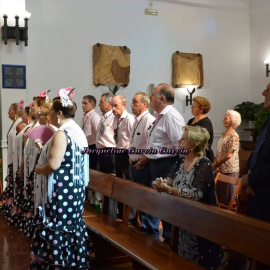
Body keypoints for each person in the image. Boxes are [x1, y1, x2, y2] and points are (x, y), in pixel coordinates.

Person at [30, 88, 91, 270]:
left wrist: (40, 169)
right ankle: (73, 262)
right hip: (75, 188)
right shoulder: (77, 131)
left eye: (50, 114)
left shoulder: (61, 133)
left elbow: (54, 164)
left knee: (58, 225)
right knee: (70, 225)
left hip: (61, 190)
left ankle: (58, 264)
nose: (48, 118)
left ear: (58, 114)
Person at [153, 126, 223, 269]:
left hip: (201, 222)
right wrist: (160, 183)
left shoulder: (204, 164)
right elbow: (169, 181)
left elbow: (196, 194)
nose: (179, 141)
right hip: (183, 217)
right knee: (183, 258)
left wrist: (169, 189)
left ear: (194, 145)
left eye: (183, 139)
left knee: (196, 260)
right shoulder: (180, 161)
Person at [146, 83, 185, 245]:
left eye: (153, 95)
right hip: (157, 164)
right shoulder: (160, 116)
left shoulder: (171, 116)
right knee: (160, 204)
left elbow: (180, 147)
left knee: (167, 205)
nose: (150, 98)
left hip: (167, 165)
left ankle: (170, 241)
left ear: (162, 98)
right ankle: (165, 239)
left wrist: (172, 173)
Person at [129, 92, 159, 236]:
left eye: (135, 102)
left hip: (144, 166)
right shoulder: (137, 120)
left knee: (148, 200)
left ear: (145, 104)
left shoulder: (149, 120)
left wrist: (141, 161)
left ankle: (150, 232)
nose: (131, 105)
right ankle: (144, 230)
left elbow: (151, 146)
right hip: (135, 164)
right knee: (140, 199)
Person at [242, 82, 270, 223]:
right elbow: (256, 154)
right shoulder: (267, 122)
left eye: (268, 90)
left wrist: (250, 179)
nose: (263, 93)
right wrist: (247, 181)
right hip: (257, 191)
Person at [111, 94, 134, 219]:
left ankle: (130, 216)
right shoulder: (116, 119)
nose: (114, 108)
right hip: (118, 152)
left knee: (127, 184)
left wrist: (131, 156)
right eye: (112, 105)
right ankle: (121, 211)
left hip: (126, 154)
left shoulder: (129, 119)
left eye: (116, 106)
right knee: (120, 183)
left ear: (124, 105)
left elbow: (133, 139)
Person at [213, 110, 241, 206]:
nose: (223, 120)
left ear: (233, 120)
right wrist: (215, 163)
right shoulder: (223, 134)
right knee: (219, 197)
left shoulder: (234, 136)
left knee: (228, 198)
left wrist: (216, 163)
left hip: (230, 170)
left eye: (226, 118)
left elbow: (229, 155)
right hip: (220, 168)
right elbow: (219, 151)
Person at [2, 101, 25, 218]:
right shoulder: (14, 123)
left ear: (15, 112)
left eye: (10, 110)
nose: (8, 112)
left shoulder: (20, 124)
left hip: (17, 157)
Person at [187, 96, 214, 162]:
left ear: (201, 109)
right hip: (191, 153)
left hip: (202, 155)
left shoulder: (206, 123)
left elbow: (201, 141)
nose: (191, 108)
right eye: (192, 106)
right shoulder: (191, 120)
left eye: (194, 106)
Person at [96, 93, 116, 174]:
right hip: (101, 152)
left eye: (101, 102)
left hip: (110, 152)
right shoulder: (103, 117)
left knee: (111, 178)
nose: (99, 104)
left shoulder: (114, 117)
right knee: (103, 178)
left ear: (109, 103)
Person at [81, 95, 101, 169]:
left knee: (92, 170)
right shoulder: (85, 116)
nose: (83, 105)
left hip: (92, 147)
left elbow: (98, 133)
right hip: (86, 147)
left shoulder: (95, 117)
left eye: (85, 103)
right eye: (82, 103)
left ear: (92, 105)